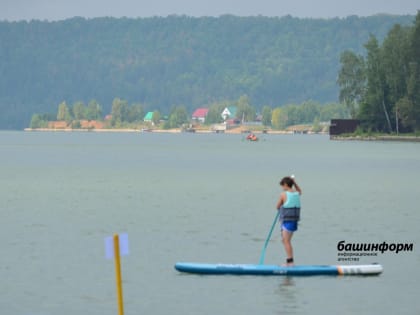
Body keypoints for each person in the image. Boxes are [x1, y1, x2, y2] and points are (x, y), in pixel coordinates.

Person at [276, 176, 302, 266]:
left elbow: (277, 206)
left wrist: (281, 206)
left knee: (286, 241)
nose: (282, 188)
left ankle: (290, 262)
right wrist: (294, 183)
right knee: (285, 241)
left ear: (286, 185)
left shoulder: (283, 194)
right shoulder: (296, 193)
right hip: (294, 221)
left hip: (287, 221)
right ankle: (289, 261)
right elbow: (300, 191)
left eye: (282, 186)